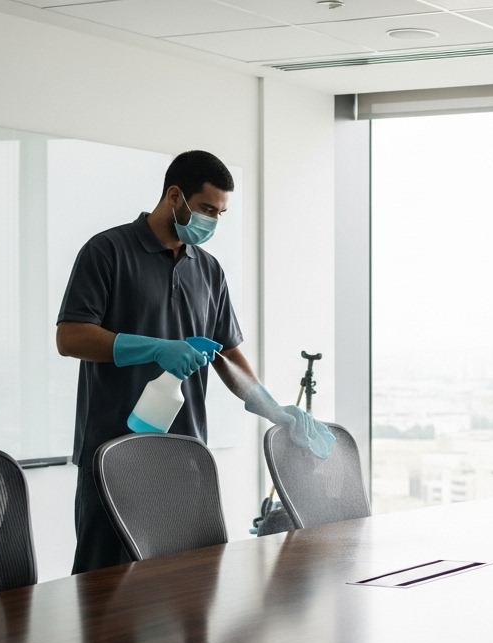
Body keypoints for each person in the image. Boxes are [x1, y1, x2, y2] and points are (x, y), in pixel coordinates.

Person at [56, 150, 333, 575]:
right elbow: (70, 336)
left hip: (185, 458)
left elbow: (227, 353)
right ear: (174, 196)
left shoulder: (208, 270)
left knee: (190, 588)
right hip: (113, 456)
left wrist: (269, 406)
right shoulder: (107, 251)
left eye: (220, 213)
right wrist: (154, 348)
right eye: (206, 208)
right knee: (102, 589)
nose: (213, 221)